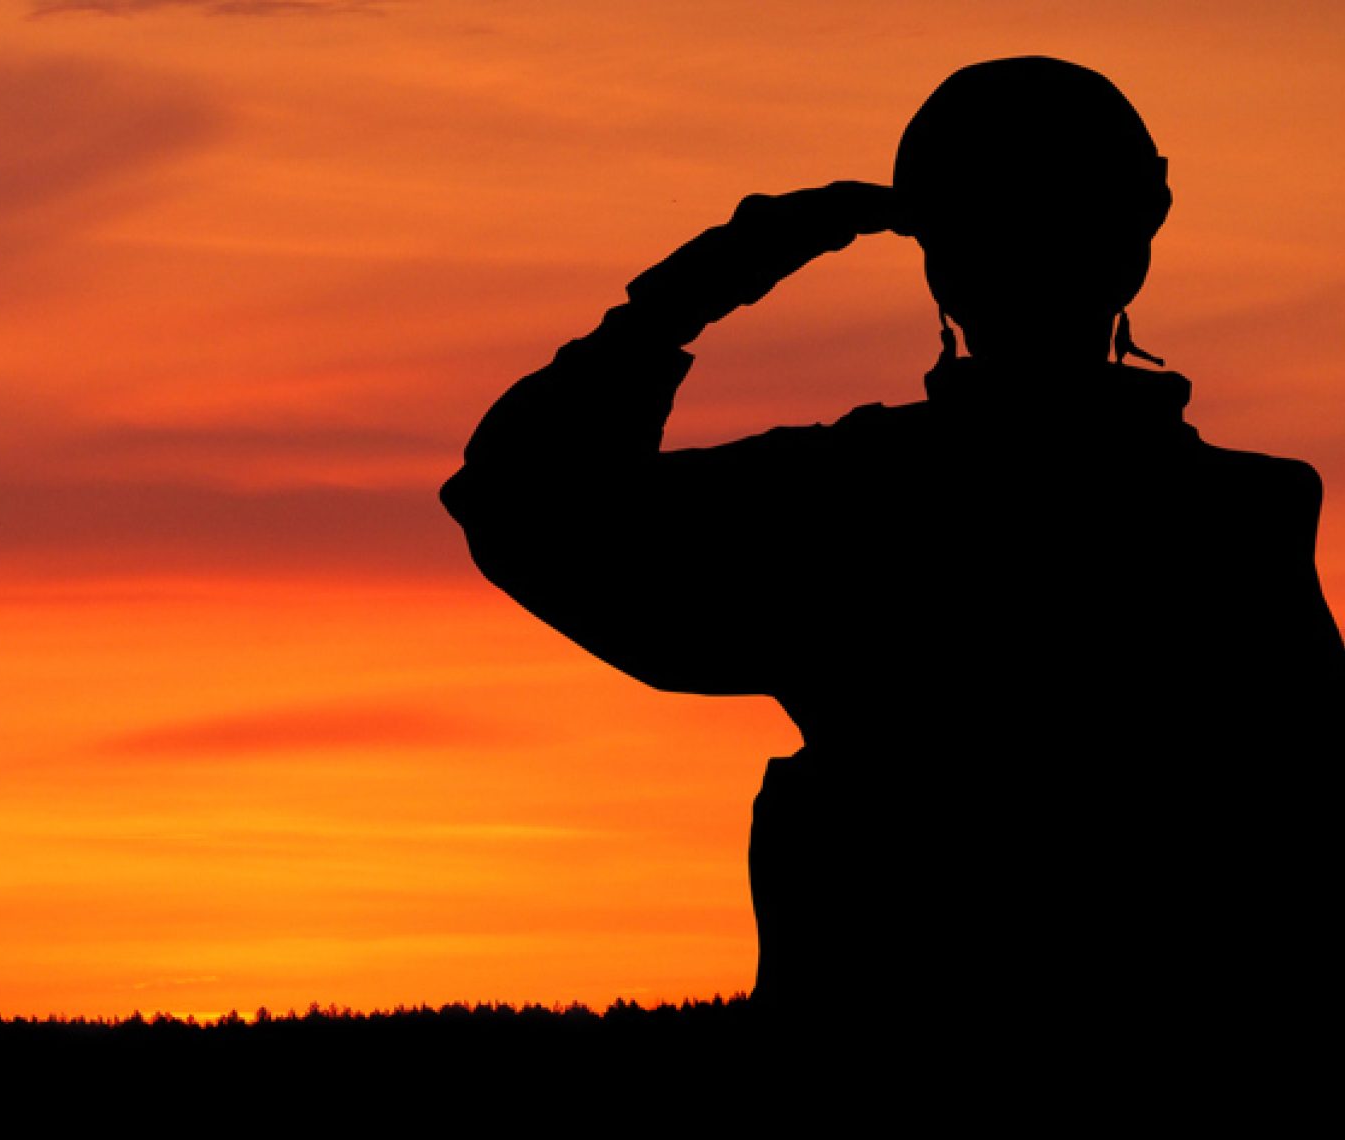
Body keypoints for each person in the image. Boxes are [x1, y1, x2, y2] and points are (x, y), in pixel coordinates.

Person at [440, 57, 1343, 1065]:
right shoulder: (1244, 517)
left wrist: (681, 298)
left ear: (935, 257)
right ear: (1143, 226)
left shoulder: (838, 503)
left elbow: (518, 500)